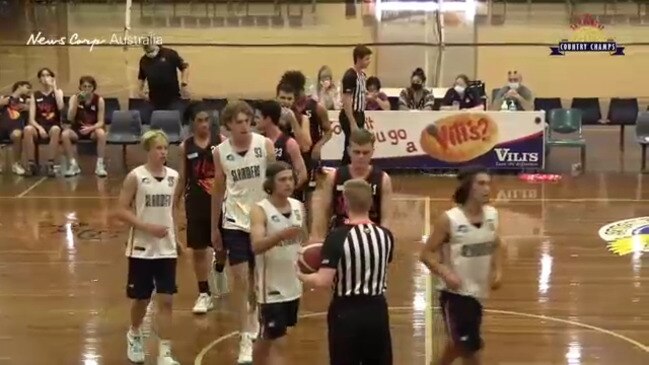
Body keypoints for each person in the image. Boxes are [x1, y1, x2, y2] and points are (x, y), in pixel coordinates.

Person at [298, 178, 395, 365]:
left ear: (343, 202)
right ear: (371, 202)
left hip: (346, 311)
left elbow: (322, 281)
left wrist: (300, 275)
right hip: (377, 310)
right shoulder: (386, 235)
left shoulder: (337, 236)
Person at [211, 100, 275, 364]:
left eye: (248, 120)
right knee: (240, 281)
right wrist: (214, 227)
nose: (244, 126)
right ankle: (245, 337)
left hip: (262, 222)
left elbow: (276, 182)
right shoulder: (220, 152)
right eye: (238, 122)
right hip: (235, 222)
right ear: (228, 125)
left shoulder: (265, 145)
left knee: (257, 281)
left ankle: (255, 320)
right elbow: (217, 189)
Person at [111, 129, 183, 365]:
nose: (163, 152)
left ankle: (165, 352)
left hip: (166, 248)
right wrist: (146, 226)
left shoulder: (174, 176)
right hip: (141, 247)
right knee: (141, 299)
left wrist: (177, 237)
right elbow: (120, 210)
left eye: (165, 148)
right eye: (158, 148)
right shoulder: (136, 176)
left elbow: (172, 209)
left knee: (167, 300)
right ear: (148, 151)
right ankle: (134, 332)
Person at [419, 166, 504, 365]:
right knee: (469, 348)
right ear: (468, 187)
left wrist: (498, 271)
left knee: (460, 345)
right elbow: (426, 254)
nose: (487, 188)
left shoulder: (492, 215)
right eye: (481, 183)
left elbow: (498, 243)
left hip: (478, 294)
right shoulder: (450, 219)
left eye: (488, 183)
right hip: (455, 296)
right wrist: (445, 272)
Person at [250, 161, 307, 365]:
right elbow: (256, 245)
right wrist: (281, 235)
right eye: (282, 180)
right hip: (270, 289)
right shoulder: (260, 210)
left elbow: (304, 243)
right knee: (278, 340)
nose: (288, 183)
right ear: (270, 183)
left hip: (293, 285)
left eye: (290, 178)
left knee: (267, 338)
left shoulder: (299, 207)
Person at [175, 102, 228, 315]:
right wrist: (175, 201)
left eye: (207, 120)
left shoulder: (221, 143)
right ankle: (204, 292)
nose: (205, 124)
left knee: (222, 246)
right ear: (191, 123)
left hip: (221, 202)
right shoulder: (185, 147)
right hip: (196, 202)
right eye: (200, 121)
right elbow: (183, 176)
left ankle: (219, 268)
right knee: (198, 250)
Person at [311, 128, 392, 241]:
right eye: (357, 152)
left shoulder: (383, 179)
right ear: (349, 151)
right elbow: (323, 213)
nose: (361, 156)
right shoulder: (334, 176)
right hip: (339, 238)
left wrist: (383, 242)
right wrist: (319, 240)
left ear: (372, 152)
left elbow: (386, 218)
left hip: (370, 238)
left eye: (365, 152)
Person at [278, 70, 333, 210]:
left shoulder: (316, 107)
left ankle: (307, 229)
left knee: (307, 198)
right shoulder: (285, 108)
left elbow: (329, 130)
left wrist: (319, 145)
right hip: (290, 155)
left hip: (308, 156)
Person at [61, 76, 108, 177]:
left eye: (89, 86)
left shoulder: (99, 100)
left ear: (93, 87)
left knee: (101, 133)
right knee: (65, 134)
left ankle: (100, 165)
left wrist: (90, 128)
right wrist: (76, 103)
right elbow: (70, 117)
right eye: (84, 86)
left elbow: (101, 122)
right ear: (80, 87)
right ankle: (73, 165)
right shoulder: (74, 98)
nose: (86, 89)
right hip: (77, 129)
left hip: (92, 129)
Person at [257, 99, 308, 192]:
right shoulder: (258, 141)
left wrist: (287, 191)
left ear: (267, 119)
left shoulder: (289, 143)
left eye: (258, 117)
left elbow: (302, 174)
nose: (255, 120)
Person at [25, 67, 65, 177]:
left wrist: (54, 87)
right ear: (39, 79)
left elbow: (61, 106)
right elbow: (31, 119)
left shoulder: (58, 92)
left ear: (52, 78)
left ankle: (50, 164)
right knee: (27, 129)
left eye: (47, 75)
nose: (45, 78)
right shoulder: (35, 95)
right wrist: (39, 128)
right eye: (42, 75)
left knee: (56, 129)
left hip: (53, 125)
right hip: (39, 126)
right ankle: (31, 164)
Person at [340, 45, 372, 165]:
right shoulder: (350, 76)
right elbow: (346, 100)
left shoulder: (362, 76)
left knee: (357, 143)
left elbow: (360, 94)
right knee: (351, 145)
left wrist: (369, 97)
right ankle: (344, 172)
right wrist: (352, 122)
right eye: (367, 59)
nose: (369, 62)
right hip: (350, 114)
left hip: (360, 113)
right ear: (358, 59)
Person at [138, 41, 189, 110]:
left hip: (173, 98)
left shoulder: (169, 54)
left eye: (151, 50)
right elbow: (141, 77)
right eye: (148, 51)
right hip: (154, 100)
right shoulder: (143, 60)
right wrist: (140, 90)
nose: (150, 53)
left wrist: (184, 83)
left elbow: (184, 67)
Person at [0, 81, 31, 175]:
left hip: (15, 126)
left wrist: (28, 106)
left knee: (17, 135)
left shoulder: (27, 100)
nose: (28, 90)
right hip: (2, 126)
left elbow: (32, 108)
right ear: (19, 86)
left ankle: (16, 164)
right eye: (27, 87)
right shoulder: (5, 98)